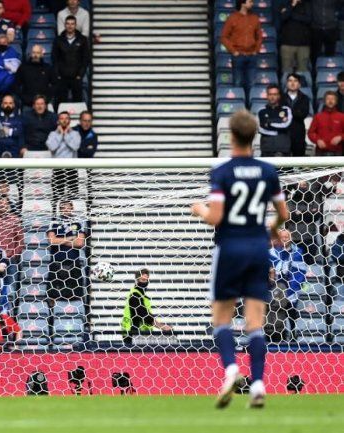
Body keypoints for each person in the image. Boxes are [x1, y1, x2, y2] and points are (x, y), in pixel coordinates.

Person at [191, 109, 289, 409]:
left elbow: (216, 217)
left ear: (231, 136)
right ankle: (258, 383)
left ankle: (231, 369)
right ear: (255, 137)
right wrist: (270, 232)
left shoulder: (222, 171)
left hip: (230, 248)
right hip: (259, 249)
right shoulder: (268, 171)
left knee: (220, 318)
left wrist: (199, 210)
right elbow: (283, 215)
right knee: (255, 322)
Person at [220, 0, 263, 98]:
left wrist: (256, 50)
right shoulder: (232, 18)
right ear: (242, 3)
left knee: (252, 85)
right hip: (238, 55)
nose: (252, 3)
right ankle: (239, 110)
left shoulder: (254, 18)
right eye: (250, 1)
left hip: (251, 55)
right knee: (238, 84)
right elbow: (224, 37)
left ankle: (250, 110)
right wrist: (233, 51)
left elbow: (259, 36)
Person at [46, 200, 86, 301]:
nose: (66, 210)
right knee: (53, 296)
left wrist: (61, 240)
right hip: (57, 263)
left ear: (72, 208)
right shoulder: (54, 222)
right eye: (63, 208)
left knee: (75, 295)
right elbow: (52, 241)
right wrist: (70, 238)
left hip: (73, 263)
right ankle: (53, 315)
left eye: (68, 207)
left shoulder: (78, 223)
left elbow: (80, 243)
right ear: (60, 210)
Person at [120, 268, 173, 343]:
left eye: (146, 280)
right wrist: (162, 326)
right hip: (133, 334)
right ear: (137, 280)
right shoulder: (135, 295)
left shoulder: (141, 295)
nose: (145, 282)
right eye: (142, 279)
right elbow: (143, 314)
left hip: (139, 335)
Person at [52, 15, 89, 106]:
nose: (70, 26)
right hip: (62, 77)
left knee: (77, 102)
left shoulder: (82, 39)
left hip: (76, 77)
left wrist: (80, 75)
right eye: (68, 24)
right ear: (65, 25)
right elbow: (54, 58)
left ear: (75, 25)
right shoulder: (58, 40)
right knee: (61, 102)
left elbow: (85, 59)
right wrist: (58, 75)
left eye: (72, 24)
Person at [269, 229, 308, 303]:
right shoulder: (272, 253)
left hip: (291, 291)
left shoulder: (297, 253)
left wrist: (288, 293)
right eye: (281, 237)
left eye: (286, 237)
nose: (284, 239)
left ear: (291, 238)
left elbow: (299, 274)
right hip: (273, 290)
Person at [257, 84, 293, 156]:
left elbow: (286, 125)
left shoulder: (286, 109)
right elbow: (260, 128)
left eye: (275, 94)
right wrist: (278, 128)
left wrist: (269, 124)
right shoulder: (261, 111)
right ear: (267, 96)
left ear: (279, 96)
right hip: (267, 148)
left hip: (283, 148)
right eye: (270, 94)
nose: (272, 97)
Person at [278, 0, 312, 73]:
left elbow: (308, 19)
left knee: (303, 71)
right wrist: (292, 5)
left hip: (303, 44)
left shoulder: (307, 4)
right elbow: (283, 17)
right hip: (287, 44)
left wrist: (291, 15)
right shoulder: (284, 4)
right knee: (287, 71)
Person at [282, 73, 311, 157]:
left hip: (298, 133)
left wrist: (288, 113)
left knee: (299, 161)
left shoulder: (305, 98)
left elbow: (303, 114)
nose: (292, 83)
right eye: (290, 81)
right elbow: (279, 114)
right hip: (284, 134)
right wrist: (296, 112)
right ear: (287, 83)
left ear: (299, 84)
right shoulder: (281, 98)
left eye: (295, 81)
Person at [307, 91, 344, 156]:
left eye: (333, 99)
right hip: (320, 152)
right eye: (328, 99)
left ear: (336, 102)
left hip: (338, 152)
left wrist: (341, 137)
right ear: (324, 101)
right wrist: (317, 140)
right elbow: (311, 133)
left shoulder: (342, 117)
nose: (330, 101)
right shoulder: (318, 116)